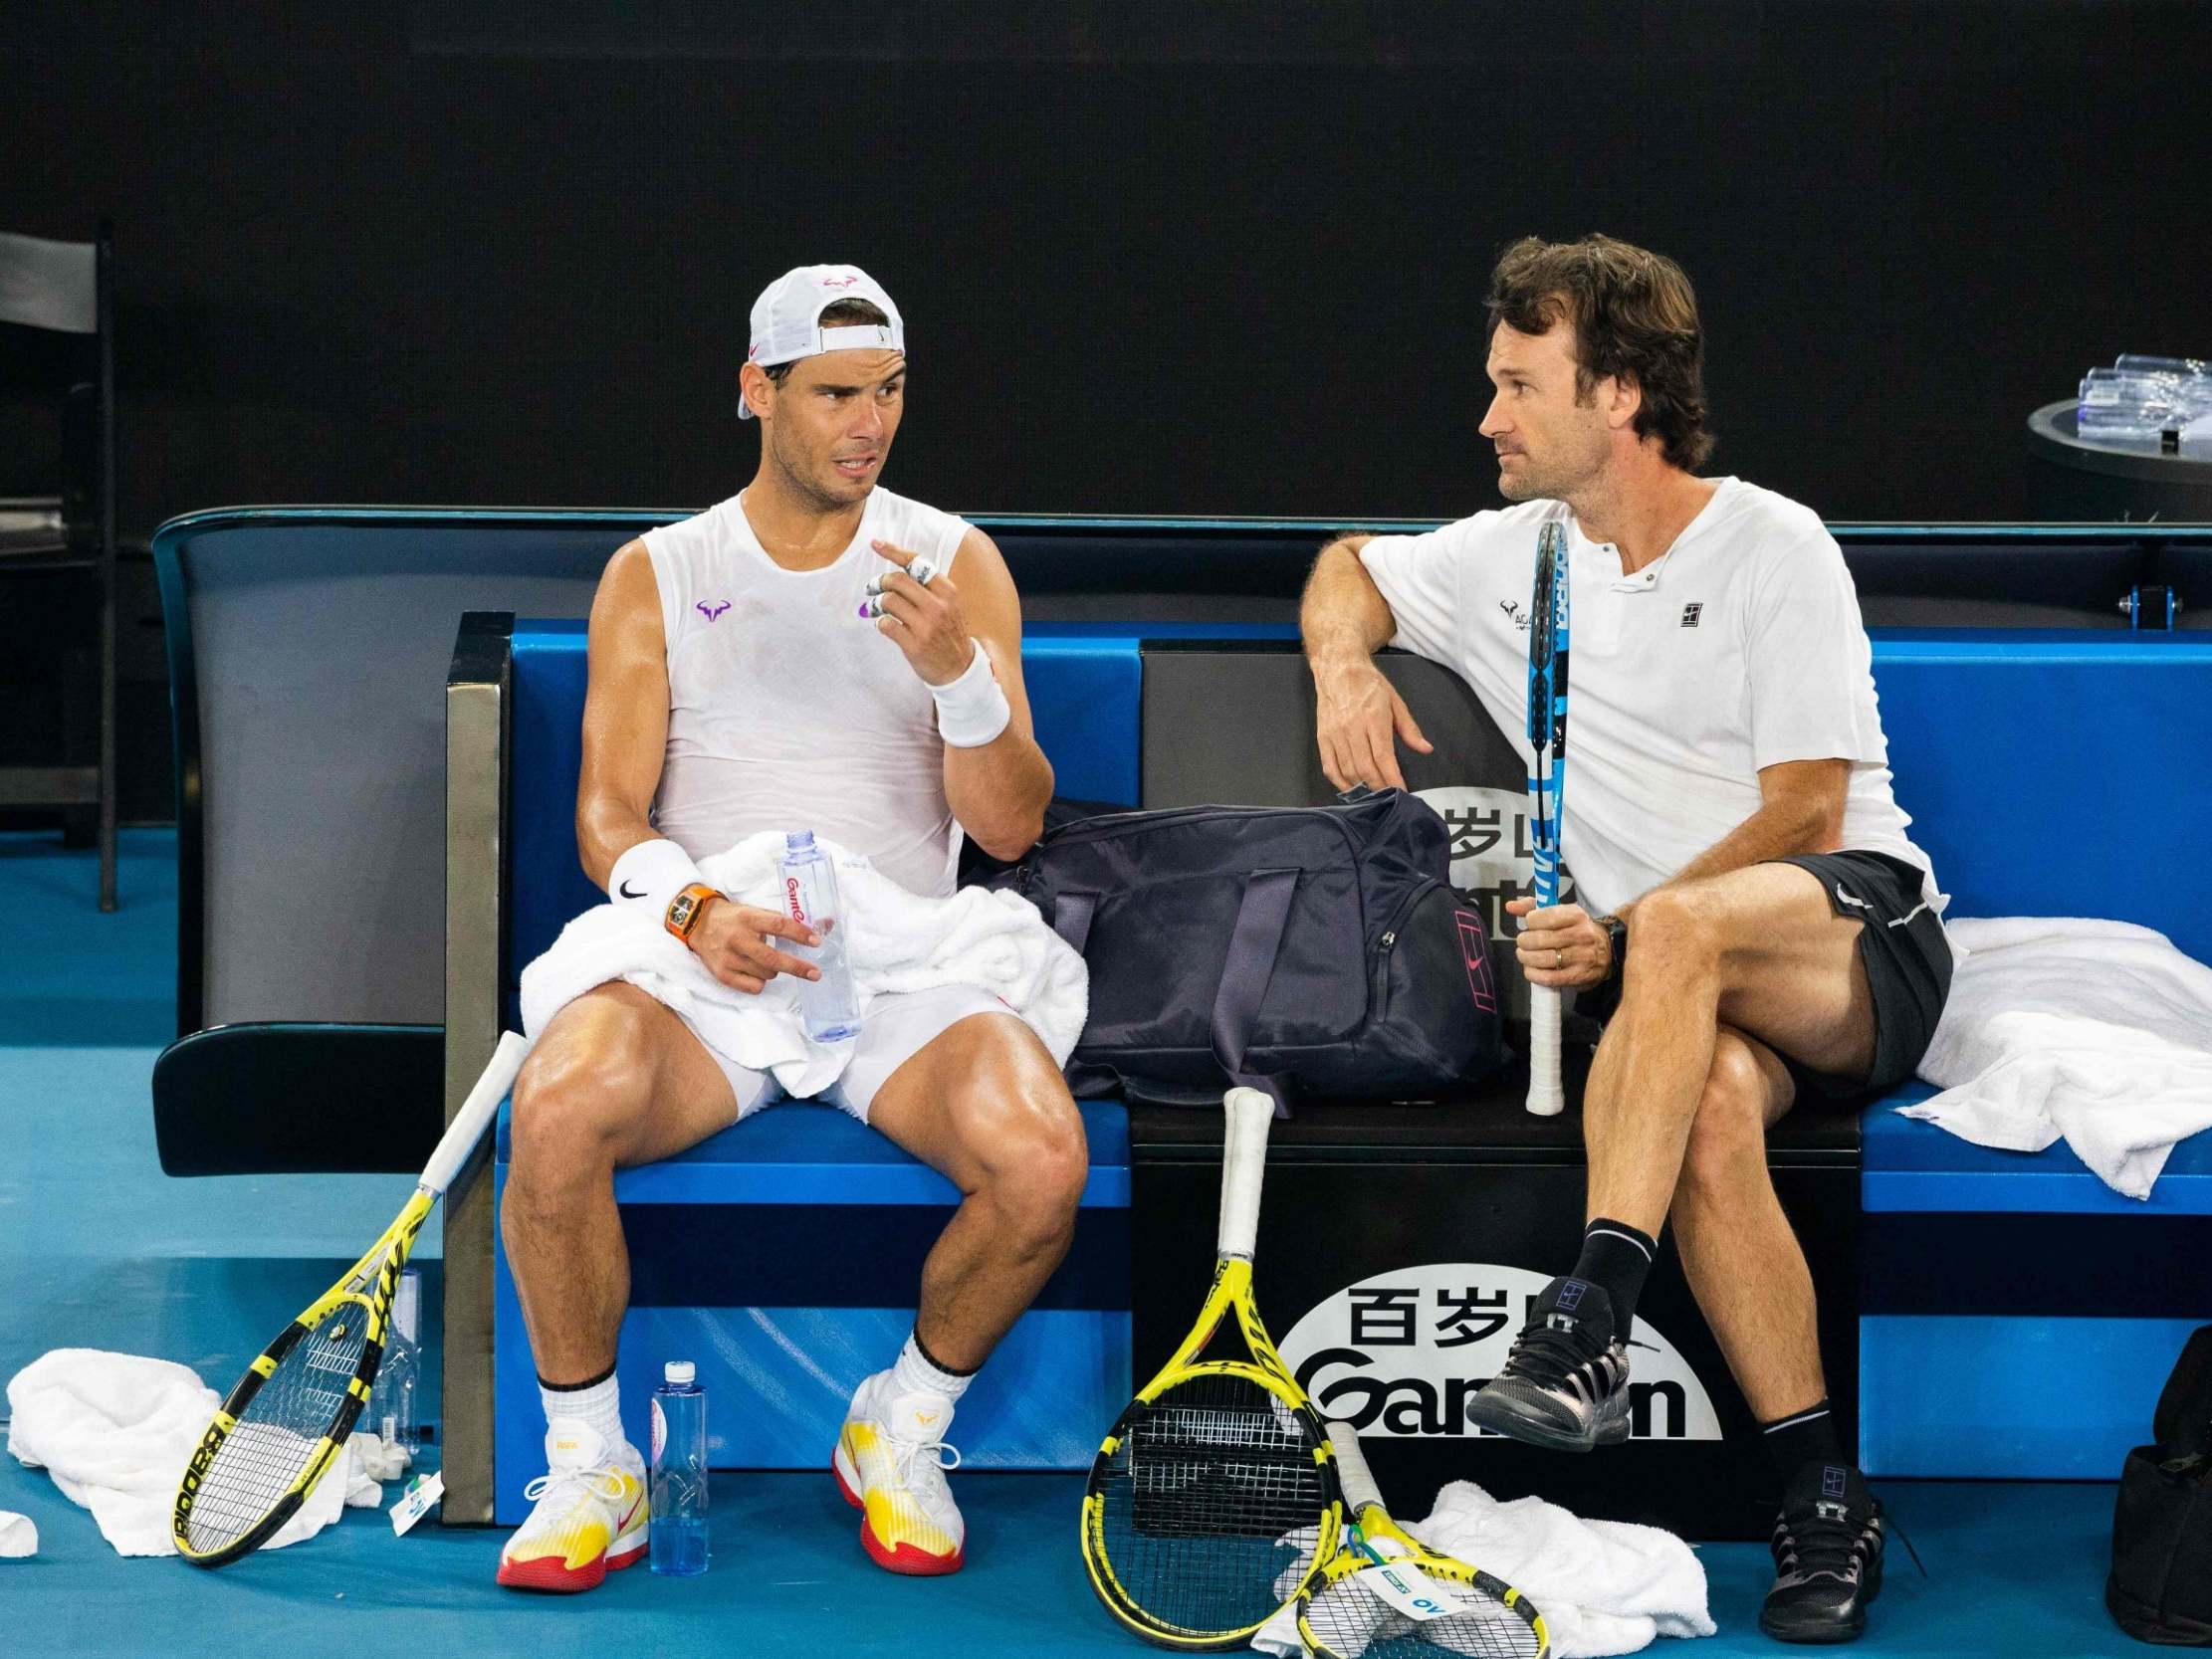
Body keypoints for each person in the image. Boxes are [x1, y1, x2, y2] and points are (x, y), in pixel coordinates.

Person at [1298, 235, 1951, 1644]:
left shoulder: (1774, 543)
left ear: (1618, 395)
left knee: (1676, 929)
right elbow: (1347, 565)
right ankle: (1818, 1494)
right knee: (1708, 1104)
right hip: (1674, 990)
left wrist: (1630, 927)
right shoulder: (1514, 556)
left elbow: (1805, 806)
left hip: (1843, 938)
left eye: (1518, 385)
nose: (1487, 419)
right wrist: (1342, 664)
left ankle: (1588, 1307)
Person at [496, 264, 1084, 1591]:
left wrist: (961, 682)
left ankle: (901, 1423)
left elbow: (1006, 831)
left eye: (886, 392)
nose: (866, 424)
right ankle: (593, 1464)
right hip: (709, 960)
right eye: (832, 395)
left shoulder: (955, 563)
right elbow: (605, 814)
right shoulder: (658, 572)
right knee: (560, 1105)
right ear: (754, 390)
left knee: (1040, 1160)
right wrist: (693, 908)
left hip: (897, 968)